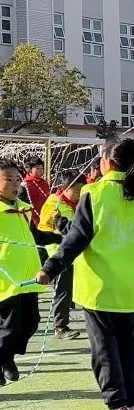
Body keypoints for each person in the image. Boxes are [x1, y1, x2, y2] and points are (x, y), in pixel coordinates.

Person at [36, 138, 134, 410]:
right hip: (129, 286)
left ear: (108, 163)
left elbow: (77, 238)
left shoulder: (94, 193)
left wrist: (50, 268)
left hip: (98, 286)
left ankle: (117, 408)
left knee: (104, 350)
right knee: (128, 347)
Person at [0, 162, 46, 387]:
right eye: (8, 179)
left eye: (17, 178)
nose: (15, 183)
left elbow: (35, 236)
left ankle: (6, 356)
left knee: (31, 322)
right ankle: (4, 358)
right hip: (6, 280)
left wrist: (61, 236)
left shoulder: (23, 208)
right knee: (11, 326)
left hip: (28, 277)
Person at [37, 170, 86, 340]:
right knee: (62, 289)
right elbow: (64, 229)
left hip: (76, 254)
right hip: (59, 255)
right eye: (76, 190)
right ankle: (60, 327)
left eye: (82, 190)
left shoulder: (77, 204)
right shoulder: (54, 206)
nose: (79, 194)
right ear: (64, 188)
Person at [18, 159, 50, 227]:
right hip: (32, 221)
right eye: (38, 168)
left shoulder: (44, 183)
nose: (41, 171)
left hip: (45, 218)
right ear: (30, 170)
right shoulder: (25, 185)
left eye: (42, 168)